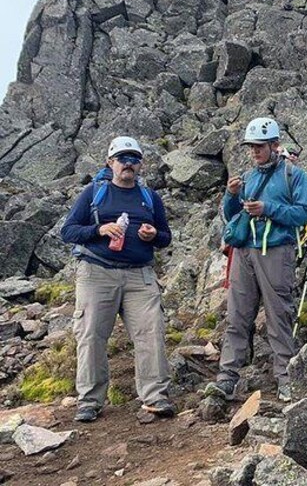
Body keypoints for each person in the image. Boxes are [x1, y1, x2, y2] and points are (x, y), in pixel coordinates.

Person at [60, 136, 174, 422]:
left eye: (134, 159)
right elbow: (69, 231)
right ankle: (89, 401)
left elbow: (165, 237)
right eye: (123, 158)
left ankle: (155, 397)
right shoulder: (93, 193)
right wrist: (99, 230)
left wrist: (152, 235)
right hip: (96, 272)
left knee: (151, 332)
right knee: (91, 335)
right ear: (110, 162)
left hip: (140, 274)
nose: (129, 164)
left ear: (141, 165)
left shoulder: (150, 198)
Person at [205, 118, 307, 402]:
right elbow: (232, 215)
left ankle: (286, 378)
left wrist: (268, 208)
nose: (254, 152)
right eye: (251, 147)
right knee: (237, 315)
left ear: (275, 145)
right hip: (244, 251)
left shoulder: (294, 175)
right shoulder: (248, 176)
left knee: (279, 315)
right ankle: (227, 379)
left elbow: (302, 214)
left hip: (276, 250)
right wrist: (231, 196)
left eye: (259, 147)